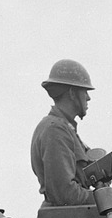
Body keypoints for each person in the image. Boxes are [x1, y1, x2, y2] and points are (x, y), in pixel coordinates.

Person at [30, 59, 98, 208]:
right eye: (84, 91)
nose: (88, 97)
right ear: (73, 93)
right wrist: (103, 198)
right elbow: (64, 193)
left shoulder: (64, 128)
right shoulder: (55, 130)